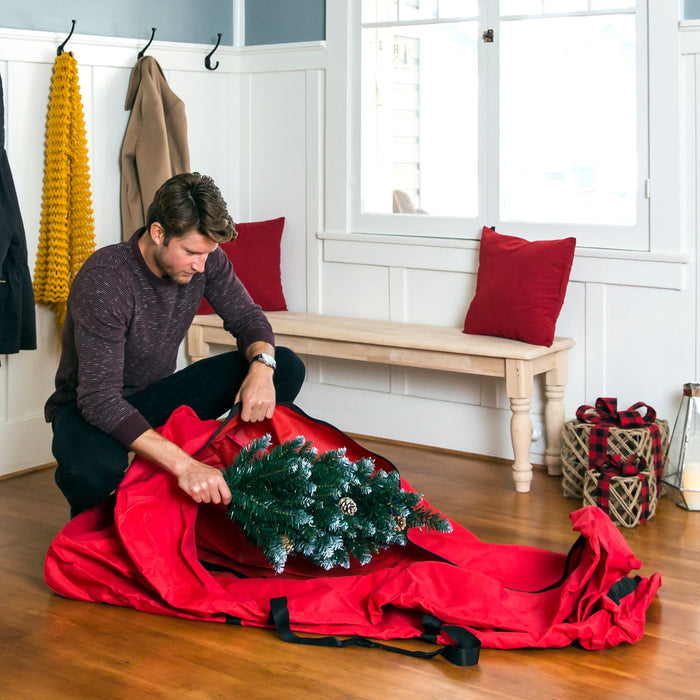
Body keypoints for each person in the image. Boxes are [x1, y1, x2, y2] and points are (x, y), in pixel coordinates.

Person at [45, 172, 305, 517]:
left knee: (283, 364)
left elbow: (248, 319)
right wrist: (183, 466)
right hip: (88, 406)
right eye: (191, 252)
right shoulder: (106, 281)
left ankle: (236, 469)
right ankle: (110, 513)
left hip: (155, 395)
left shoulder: (206, 260)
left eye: (207, 253)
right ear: (158, 233)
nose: (201, 265)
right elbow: (99, 400)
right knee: (91, 475)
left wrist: (262, 367)